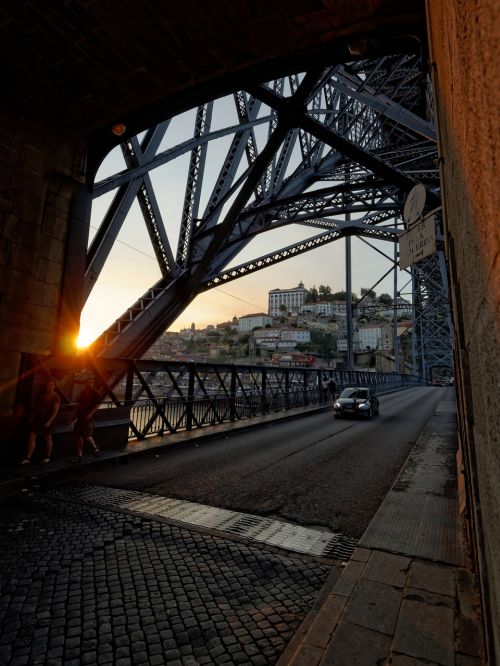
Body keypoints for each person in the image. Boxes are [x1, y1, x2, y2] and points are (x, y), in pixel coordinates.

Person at [20, 379, 61, 464]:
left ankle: (48, 456)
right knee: (32, 437)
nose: (49, 387)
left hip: (48, 419)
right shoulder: (42, 395)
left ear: (54, 386)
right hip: (38, 419)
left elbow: (55, 411)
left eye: (51, 385)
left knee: (48, 438)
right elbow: (37, 408)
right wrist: (32, 417)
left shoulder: (56, 397)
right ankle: (28, 458)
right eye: (48, 385)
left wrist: (49, 421)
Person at [72, 377, 100, 463]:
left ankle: (94, 447)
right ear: (86, 383)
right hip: (80, 416)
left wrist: (90, 414)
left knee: (87, 435)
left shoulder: (95, 393)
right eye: (88, 382)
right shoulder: (83, 392)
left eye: (91, 382)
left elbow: (97, 405)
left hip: (88, 417)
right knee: (77, 435)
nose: (90, 384)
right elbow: (79, 405)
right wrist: (74, 415)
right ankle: (79, 455)